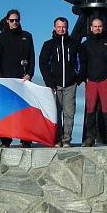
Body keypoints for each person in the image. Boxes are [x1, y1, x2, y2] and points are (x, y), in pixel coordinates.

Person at [0, 9, 35, 147]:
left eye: (17, 20)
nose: (14, 22)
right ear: (7, 21)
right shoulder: (1, 37)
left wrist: (29, 74)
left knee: (24, 111)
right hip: (6, 81)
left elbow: (32, 57)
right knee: (6, 111)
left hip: (23, 80)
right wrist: (0, 76)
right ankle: (5, 140)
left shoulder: (27, 36)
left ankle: (26, 139)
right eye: (12, 20)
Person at [39, 16, 81, 147]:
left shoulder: (74, 43)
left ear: (67, 28)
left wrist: (77, 79)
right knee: (56, 113)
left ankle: (66, 139)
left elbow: (81, 62)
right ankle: (57, 139)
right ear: (54, 28)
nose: (61, 29)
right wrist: (49, 83)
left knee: (69, 113)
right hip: (55, 85)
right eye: (59, 27)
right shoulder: (48, 44)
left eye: (64, 27)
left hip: (70, 84)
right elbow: (43, 64)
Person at [79, 17, 107, 147]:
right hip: (91, 81)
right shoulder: (85, 44)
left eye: (99, 26)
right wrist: (84, 77)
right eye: (95, 26)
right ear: (91, 28)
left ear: (103, 27)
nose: (97, 28)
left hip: (105, 80)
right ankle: (90, 138)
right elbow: (81, 63)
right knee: (90, 110)